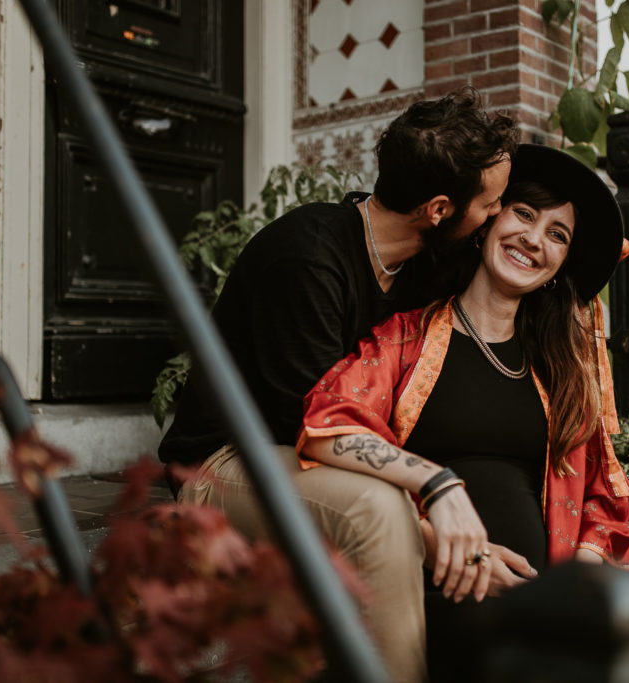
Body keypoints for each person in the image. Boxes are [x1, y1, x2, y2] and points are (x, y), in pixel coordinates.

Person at [159, 88, 518, 683]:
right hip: (223, 462)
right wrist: (437, 520)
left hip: (315, 461)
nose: (495, 218)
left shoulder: (422, 263)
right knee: (381, 510)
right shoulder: (305, 259)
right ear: (437, 209)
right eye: (490, 206)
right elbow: (318, 429)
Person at [296, 144, 629, 681]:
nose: (534, 239)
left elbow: (604, 499)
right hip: (436, 584)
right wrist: (448, 546)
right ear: (486, 224)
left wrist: (569, 591)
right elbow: (327, 427)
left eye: (558, 234)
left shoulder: (562, 371)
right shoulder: (405, 340)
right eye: (524, 214)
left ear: (560, 265)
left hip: (538, 600)